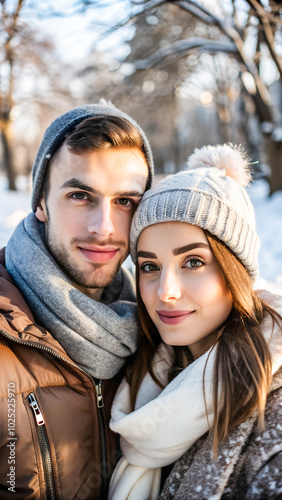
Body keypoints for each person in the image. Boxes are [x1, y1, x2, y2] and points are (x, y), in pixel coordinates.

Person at [109, 144, 282, 499]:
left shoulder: (271, 409)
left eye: (193, 262)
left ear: (236, 271)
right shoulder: (140, 376)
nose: (165, 292)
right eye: (150, 267)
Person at [0, 101, 154, 499]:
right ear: (41, 203)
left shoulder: (159, 328)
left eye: (125, 202)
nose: (104, 228)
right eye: (81, 195)